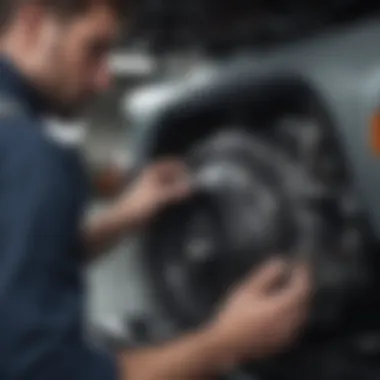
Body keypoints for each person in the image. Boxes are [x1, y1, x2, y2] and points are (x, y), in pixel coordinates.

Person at [0, 0, 311, 379]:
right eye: (93, 48)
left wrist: (120, 219)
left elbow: (15, 256)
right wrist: (225, 344)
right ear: (32, 20)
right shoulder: (30, 156)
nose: (104, 79)